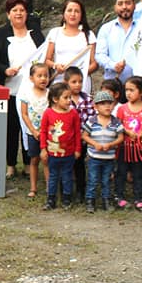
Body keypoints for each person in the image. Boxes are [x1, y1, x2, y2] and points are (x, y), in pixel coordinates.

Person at [0, 0, 45, 179]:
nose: (19, 13)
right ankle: (11, 165)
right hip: (10, 90)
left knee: (29, 127)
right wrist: (5, 70)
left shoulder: (36, 33)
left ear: (26, 13)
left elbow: (44, 55)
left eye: (22, 10)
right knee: (11, 129)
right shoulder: (0, 34)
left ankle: (29, 163)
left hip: (32, 91)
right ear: (8, 14)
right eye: (15, 10)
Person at [114, 76, 142, 212]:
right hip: (124, 148)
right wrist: (126, 131)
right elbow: (117, 125)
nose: (128, 93)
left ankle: (139, 198)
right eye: (126, 90)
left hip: (140, 148)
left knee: (139, 174)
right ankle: (119, 197)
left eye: (132, 90)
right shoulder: (122, 109)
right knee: (121, 172)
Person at [39, 81, 81, 210]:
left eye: (70, 97)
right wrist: (43, 149)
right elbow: (44, 131)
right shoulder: (48, 113)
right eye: (66, 97)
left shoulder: (73, 113)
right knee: (53, 176)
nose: (69, 100)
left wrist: (77, 149)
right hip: (52, 153)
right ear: (55, 99)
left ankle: (66, 198)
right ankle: (51, 199)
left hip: (68, 153)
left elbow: (77, 132)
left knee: (67, 176)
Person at [43, 0, 98, 91]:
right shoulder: (55, 33)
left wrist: (79, 75)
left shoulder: (88, 35)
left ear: (81, 15)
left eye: (76, 11)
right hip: (60, 81)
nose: (73, 14)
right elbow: (47, 60)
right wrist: (56, 66)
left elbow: (94, 64)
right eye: (69, 10)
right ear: (64, 14)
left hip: (81, 84)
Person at [83, 90, 124, 213]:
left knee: (107, 180)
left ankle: (106, 200)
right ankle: (90, 200)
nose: (107, 106)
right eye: (103, 104)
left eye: (109, 103)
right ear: (95, 106)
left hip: (109, 158)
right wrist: (95, 144)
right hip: (94, 157)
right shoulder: (92, 121)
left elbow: (121, 137)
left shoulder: (116, 122)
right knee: (93, 179)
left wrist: (111, 144)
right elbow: (84, 135)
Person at [64, 66, 96, 201]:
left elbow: (92, 118)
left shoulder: (87, 99)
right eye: (74, 82)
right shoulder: (64, 99)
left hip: (82, 139)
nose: (78, 85)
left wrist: (85, 133)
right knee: (66, 166)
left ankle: (80, 191)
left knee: (79, 164)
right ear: (66, 83)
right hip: (66, 140)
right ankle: (66, 191)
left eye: (80, 81)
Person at [19, 62, 50, 198]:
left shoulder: (50, 94)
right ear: (31, 78)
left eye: (46, 75)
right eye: (39, 76)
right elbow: (24, 114)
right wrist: (33, 130)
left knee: (47, 160)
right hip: (33, 133)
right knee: (34, 160)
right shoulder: (26, 94)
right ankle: (33, 188)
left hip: (48, 134)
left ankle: (50, 187)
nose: (43, 78)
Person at [95, 0, 139, 84]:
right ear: (115, 7)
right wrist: (113, 65)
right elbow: (99, 55)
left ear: (134, 5)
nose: (124, 7)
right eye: (120, 4)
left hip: (138, 84)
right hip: (113, 84)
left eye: (128, 3)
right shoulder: (106, 29)